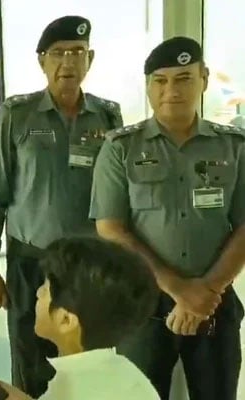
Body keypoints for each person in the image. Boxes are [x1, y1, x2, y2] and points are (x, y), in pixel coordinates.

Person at [90, 36, 245, 400]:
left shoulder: (234, 147)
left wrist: (207, 291)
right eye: (160, 81)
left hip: (215, 303)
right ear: (148, 86)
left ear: (203, 79)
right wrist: (180, 290)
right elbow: (111, 228)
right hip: (141, 306)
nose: (170, 90)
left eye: (183, 78)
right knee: (138, 395)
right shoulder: (121, 148)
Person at [0, 15, 123, 397]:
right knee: (30, 361)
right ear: (42, 61)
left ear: (90, 59)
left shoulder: (108, 116)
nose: (68, 62)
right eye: (58, 53)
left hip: (86, 268)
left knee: (88, 361)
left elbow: (118, 195)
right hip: (31, 264)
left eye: (77, 52)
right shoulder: (17, 114)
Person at [4, 237, 160, 399]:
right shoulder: (121, 373)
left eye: (45, 290)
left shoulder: (75, 391)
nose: (37, 293)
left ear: (66, 320)